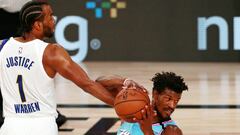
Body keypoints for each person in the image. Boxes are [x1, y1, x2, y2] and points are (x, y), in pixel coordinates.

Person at [0, 1, 119, 135]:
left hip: (10, 127)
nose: (53, 20)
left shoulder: (2, 47)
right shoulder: (52, 52)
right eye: (50, 17)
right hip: (42, 127)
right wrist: (120, 104)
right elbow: (87, 84)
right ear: (37, 25)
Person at [96, 72, 188, 135]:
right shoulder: (132, 109)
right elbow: (99, 83)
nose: (172, 106)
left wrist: (148, 131)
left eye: (176, 101)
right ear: (155, 94)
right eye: (168, 99)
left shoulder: (171, 131)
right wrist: (124, 81)